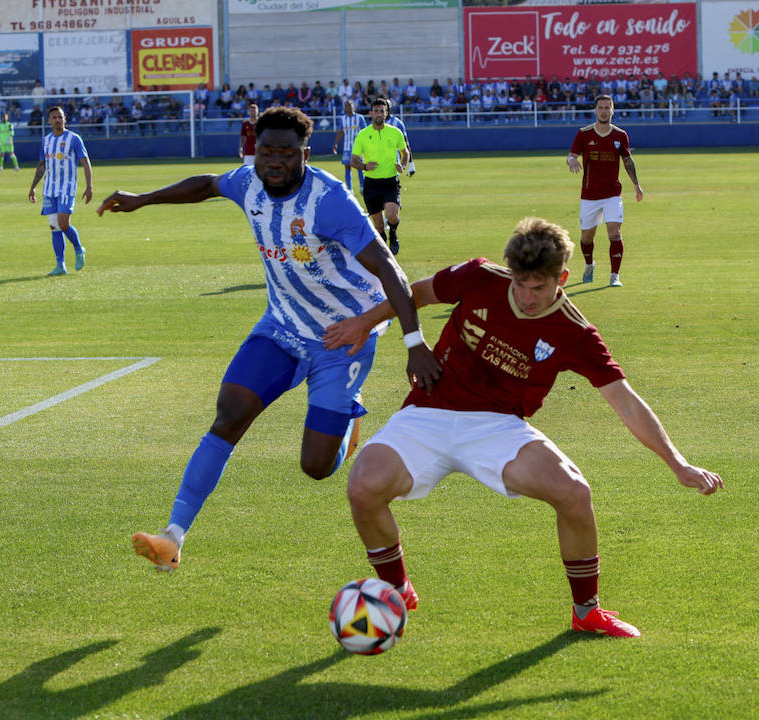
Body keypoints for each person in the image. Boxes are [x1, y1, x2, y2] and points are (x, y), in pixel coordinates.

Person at [323, 217, 723, 638]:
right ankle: (398, 589)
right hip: (428, 411)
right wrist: (369, 324)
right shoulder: (480, 276)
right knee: (362, 487)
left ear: (562, 279)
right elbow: (417, 293)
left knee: (574, 491)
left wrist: (677, 463)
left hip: (498, 427)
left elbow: (625, 401)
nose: (527, 297)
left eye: (539, 288)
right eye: (520, 284)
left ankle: (587, 611)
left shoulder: (575, 332)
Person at [97, 106, 441, 573]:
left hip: (343, 337)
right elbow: (207, 185)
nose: (274, 162)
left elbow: (389, 269)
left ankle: (347, 422)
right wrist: (144, 199)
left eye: (286, 153)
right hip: (282, 327)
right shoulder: (248, 182)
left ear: (305, 153)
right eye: (266, 152)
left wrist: (414, 343)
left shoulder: (329, 200)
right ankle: (173, 537)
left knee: (316, 466)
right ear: (255, 151)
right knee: (229, 415)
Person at [566, 95, 642, 287]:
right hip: (590, 195)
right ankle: (589, 264)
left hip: (612, 193)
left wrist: (636, 185)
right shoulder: (584, 133)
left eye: (607, 108)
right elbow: (571, 155)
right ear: (595, 110)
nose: (604, 111)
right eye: (600, 107)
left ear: (612, 110)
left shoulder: (620, 135)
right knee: (587, 237)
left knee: (614, 232)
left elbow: (628, 161)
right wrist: (572, 160)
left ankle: (614, 275)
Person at [27, 106, 92, 276]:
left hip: (67, 188)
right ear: (49, 121)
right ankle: (60, 265)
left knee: (63, 224)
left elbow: (85, 163)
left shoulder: (74, 139)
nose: (57, 120)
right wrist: (33, 187)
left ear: (65, 119)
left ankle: (78, 248)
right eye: (54, 117)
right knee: (54, 227)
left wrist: (89, 186)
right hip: (49, 189)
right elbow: (42, 166)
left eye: (60, 117)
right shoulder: (46, 140)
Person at [350, 97, 410, 254]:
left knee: (392, 216)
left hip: (390, 182)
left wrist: (403, 165)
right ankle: (384, 244)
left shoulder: (395, 132)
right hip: (371, 184)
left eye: (382, 111)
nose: (379, 114)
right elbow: (353, 161)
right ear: (370, 113)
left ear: (386, 113)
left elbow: (405, 152)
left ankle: (393, 234)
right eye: (376, 111)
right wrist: (365, 166)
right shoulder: (363, 135)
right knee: (378, 226)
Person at [331, 99, 367, 192]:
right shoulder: (343, 119)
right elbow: (340, 132)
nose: (349, 107)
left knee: (359, 166)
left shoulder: (359, 118)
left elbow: (365, 132)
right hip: (347, 147)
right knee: (347, 167)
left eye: (350, 105)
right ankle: (350, 189)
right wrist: (335, 143)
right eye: (347, 106)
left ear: (353, 106)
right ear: (345, 108)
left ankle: (362, 187)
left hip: (358, 147)